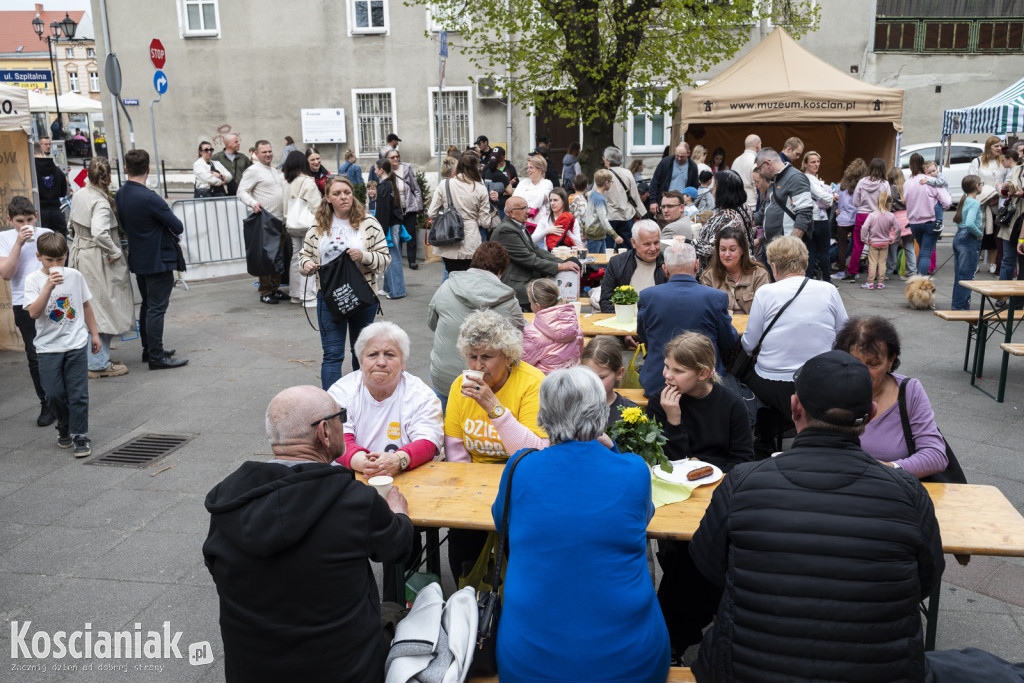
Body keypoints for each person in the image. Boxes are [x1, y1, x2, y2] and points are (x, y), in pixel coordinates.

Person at [688, 349, 944, 682]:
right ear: (870, 414)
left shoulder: (742, 483)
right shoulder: (909, 492)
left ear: (795, 408)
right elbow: (926, 578)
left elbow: (708, 565)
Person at [203, 385, 414, 683]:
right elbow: (400, 548)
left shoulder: (229, 500)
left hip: (251, 670)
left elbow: (216, 567)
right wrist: (397, 512)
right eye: (341, 417)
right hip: (346, 671)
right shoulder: (354, 502)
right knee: (396, 613)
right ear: (324, 432)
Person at [493, 366, 670, 683]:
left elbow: (501, 523)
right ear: (602, 414)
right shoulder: (633, 470)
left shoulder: (520, 467)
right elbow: (641, 518)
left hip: (528, 665)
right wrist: (612, 448)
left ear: (543, 417)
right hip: (633, 664)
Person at [646, 332, 753, 656]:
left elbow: (742, 462)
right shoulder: (661, 400)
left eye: (677, 370)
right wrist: (674, 422)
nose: (667, 375)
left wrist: (707, 467)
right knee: (684, 558)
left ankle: (674, 636)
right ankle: (687, 628)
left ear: (704, 372)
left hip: (716, 498)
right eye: (666, 366)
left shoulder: (730, 404)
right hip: (673, 497)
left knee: (690, 560)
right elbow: (659, 461)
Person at [443, 309, 548, 577]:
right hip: (474, 480)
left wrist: (494, 408)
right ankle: (467, 597)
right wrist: (470, 493)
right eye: (472, 357)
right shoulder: (460, 386)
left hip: (522, 480)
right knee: (461, 534)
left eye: (487, 357)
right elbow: (455, 446)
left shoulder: (533, 383)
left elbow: (533, 453)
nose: (477, 366)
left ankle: (514, 598)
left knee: (520, 538)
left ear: (508, 355)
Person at [741, 236, 848, 452]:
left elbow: (749, 345)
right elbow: (844, 335)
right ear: (805, 262)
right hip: (819, 379)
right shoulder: (828, 290)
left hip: (774, 382)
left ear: (773, 266)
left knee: (746, 377)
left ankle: (766, 437)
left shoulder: (765, 293)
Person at [298, 176, 389, 389]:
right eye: (337, 194)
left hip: (363, 296)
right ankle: (332, 409)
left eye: (347, 192)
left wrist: (363, 256)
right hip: (329, 298)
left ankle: (361, 401)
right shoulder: (318, 225)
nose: (343, 197)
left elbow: (385, 259)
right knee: (332, 355)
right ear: (328, 198)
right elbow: (304, 256)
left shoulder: (369, 223)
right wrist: (308, 265)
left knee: (362, 353)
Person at [833, 316, 948, 478]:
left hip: (896, 489)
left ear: (890, 361)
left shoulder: (909, 391)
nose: (863, 372)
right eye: (855, 363)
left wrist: (888, 469)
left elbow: (935, 455)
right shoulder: (830, 389)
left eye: (873, 364)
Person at [327, 322, 443, 475]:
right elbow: (337, 440)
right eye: (372, 355)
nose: (381, 362)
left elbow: (428, 443)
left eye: (390, 355)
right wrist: (367, 464)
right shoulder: (341, 392)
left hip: (404, 474)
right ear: (360, 362)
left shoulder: (422, 395)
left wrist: (397, 460)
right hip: (350, 476)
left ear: (403, 364)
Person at [23, 232, 101, 457]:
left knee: (78, 393)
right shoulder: (33, 281)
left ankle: (79, 435)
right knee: (53, 394)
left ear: (66, 256)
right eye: (50, 260)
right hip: (48, 347)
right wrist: (48, 286)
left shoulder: (75, 276)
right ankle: (64, 424)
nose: (56, 265)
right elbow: (35, 313)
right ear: (39, 257)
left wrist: (94, 334)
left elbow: (85, 306)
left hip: (76, 343)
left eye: (60, 259)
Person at [114, 149, 188, 370]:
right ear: (147, 169)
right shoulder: (149, 197)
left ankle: (150, 350)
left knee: (148, 306)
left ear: (126, 168)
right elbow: (177, 226)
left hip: (139, 257)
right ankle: (156, 356)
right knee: (156, 308)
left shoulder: (121, 193)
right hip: (158, 258)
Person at [428, 242, 525, 407]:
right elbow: (517, 341)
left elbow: (432, 324)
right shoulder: (508, 301)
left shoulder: (446, 287)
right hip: (486, 380)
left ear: (473, 261)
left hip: (443, 377)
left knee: (444, 428)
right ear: (501, 270)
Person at [637, 241, 737, 397]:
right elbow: (728, 341)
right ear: (696, 265)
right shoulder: (716, 298)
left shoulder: (648, 296)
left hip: (659, 381)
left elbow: (643, 336)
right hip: (703, 382)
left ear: (665, 269)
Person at [69, 158, 134, 378]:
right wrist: (114, 253)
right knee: (105, 308)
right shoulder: (101, 202)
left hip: (83, 255)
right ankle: (97, 363)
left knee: (93, 307)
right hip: (97, 260)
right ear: (108, 177)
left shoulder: (80, 194)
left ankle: (97, 356)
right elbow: (99, 232)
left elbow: (71, 225)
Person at [1, 197, 55, 426]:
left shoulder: (46, 233)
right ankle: (46, 403)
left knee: (57, 350)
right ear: (9, 219)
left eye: (29, 220)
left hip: (52, 299)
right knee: (35, 356)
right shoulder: (4, 238)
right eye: (19, 221)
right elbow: (6, 274)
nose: (26, 225)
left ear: (36, 216)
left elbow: (58, 264)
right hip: (24, 302)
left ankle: (60, 398)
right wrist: (18, 243)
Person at [491, 196, 580, 310]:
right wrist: (560, 266)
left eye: (527, 207)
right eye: (523, 208)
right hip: (515, 284)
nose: (528, 211)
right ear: (511, 213)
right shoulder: (506, 230)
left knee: (557, 295)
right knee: (551, 297)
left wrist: (564, 262)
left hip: (527, 279)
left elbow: (536, 250)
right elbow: (529, 259)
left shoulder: (517, 226)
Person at [427, 151, 498, 273]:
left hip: (448, 237)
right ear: (476, 167)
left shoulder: (445, 184)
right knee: (469, 280)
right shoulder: (480, 188)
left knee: (452, 277)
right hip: (470, 240)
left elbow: (431, 213)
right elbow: (486, 223)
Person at [237, 139, 288, 304]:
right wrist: (253, 203)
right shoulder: (253, 171)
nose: (268, 154)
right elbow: (241, 191)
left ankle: (275, 288)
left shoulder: (273, 170)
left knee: (278, 256)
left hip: (280, 220)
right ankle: (265, 291)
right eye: (264, 152)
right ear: (256, 154)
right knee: (267, 257)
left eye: (270, 151)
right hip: (266, 220)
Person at [598, 220, 667, 314]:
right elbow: (606, 301)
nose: (653, 248)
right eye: (647, 244)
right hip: (624, 323)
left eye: (656, 243)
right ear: (633, 243)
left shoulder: (669, 263)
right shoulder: (617, 263)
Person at [693, 170, 756, 271]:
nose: (712, 191)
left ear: (723, 191)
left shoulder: (727, 217)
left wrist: (690, 243)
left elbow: (712, 248)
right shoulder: (744, 208)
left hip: (722, 274)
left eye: (714, 188)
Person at [699, 226, 770, 314]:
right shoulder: (709, 276)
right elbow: (707, 312)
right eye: (723, 249)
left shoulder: (759, 274)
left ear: (743, 250)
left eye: (732, 250)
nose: (727, 254)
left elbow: (764, 311)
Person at [282, 150, 322, 306]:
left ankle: (295, 294)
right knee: (310, 258)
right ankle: (308, 296)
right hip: (307, 226)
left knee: (295, 257)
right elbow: (316, 207)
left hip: (291, 225)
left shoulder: (285, 181)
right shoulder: (307, 181)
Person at [904, 153, 952, 279]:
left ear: (910, 166)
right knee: (926, 253)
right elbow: (947, 202)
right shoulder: (930, 181)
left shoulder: (908, 182)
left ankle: (917, 279)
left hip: (914, 223)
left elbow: (906, 201)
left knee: (922, 250)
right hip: (931, 222)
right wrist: (941, 208)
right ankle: (919, 281)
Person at [522, 278, 584, 373]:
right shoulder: (574, 325)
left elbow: (523, 363)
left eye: (530, 302)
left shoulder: (532, 333)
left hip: (546, 382)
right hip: (573, 378)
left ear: (537, 306)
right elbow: (580, 352)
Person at [753, 147, 813, 244]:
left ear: (767, 164)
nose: (760, 173)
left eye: (760, 168)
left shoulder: (795, 177)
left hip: (787, 249)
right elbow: (761, 214)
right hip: (773, 247)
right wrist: (740, 219)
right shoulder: (774, 181)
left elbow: (805, 213)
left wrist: (792, 244)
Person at [843, 157, 888, 283]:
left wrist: (863, 205)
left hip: (862, 214)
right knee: (877, 244)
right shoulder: (885, 184)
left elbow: (855, 201)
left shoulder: (862, 182)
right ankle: (875, 273)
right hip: (878, 215)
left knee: (858, 244)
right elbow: (888, 202)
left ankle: (852, 272)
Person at [969, 135, 1008, 274]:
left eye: (1000, 145)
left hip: (997, 203)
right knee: (979, 233)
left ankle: (992, 262)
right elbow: (972, 180)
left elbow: (1006, 180)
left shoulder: (1002, 161)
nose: (999, 148)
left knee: (994, 236)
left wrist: (998, 197)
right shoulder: (977, 161)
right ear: (988, 147)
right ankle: (976, 261)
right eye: (996, 146)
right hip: (981, 202)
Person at [580, 335, 637, 428]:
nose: (594, 383)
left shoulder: (630, 411)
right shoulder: (573, 406)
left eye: (601, 377)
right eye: (588, 376)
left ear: (619, 373)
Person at [384, 148, 423, 269]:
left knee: (411, 235)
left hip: (409, 208)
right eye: (392, 157)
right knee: (396, 235)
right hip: (395, 209)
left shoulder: (406, 169)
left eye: (397, 156)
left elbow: (416, 188)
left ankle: (412, 261)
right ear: (387, 160)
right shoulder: (386, 171)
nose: (396, 159)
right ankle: (398, 260)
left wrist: (418, 205)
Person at [373, 158, 406, 300]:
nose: (374, 171)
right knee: (389, 256)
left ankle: (397, 291)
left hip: (389, 226)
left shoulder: (383, 187)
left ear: (381, 170)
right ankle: (388, 288)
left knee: (393, 258)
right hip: (393, 224)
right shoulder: (390, 184)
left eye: (375, 168)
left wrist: (381, 230)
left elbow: (383, 211)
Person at [802, 151, 835, 280]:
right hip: (818, 219)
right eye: (813, 162)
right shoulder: (808, 178)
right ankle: (826, 280)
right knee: (822, 252)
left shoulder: (813, 179)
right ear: (805, 164)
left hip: (813, 219)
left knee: (813, 252)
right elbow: (822, 196)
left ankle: (810, 279)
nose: (816, 165)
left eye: (818, 162)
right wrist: (832, 197)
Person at [952, 175, 983, 310]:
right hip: (968, 239)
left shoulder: (964, 200)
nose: (982, 185)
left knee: (959, 275)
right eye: (981, 183)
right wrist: (979, 234)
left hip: (959, 236)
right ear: (976, 186)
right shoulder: (974, 202)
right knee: (967, 276)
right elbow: (970, 223)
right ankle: (961, 307)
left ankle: (957, 305)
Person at [604, 146, 647, 242]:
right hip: (626, 215)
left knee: (608, 249)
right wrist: (639, 213)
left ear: (608, 160)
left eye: (604, 158)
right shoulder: (627, 173)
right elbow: (634, 195)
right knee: (627, 246)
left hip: (608, 217)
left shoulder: (602, 174)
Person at [833, 157, 866, 280]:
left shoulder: (841, 186)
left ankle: (841, 271)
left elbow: (836, 202)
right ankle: (854, 271)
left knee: (842, 246)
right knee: (856, 247)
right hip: (857, 219)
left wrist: (838, 209)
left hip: (843, 219)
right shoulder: (862, 186)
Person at [860, 191, 900, 290]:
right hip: (885, 242)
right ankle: (880, 283)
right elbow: (898, 228)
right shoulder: (891, 216)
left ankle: (870, 282)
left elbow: (864, 227)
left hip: (873, 242)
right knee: (882, 263)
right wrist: (895, 238)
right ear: (890, 203)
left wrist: (864, 239)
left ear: (877, 202)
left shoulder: (872, 215)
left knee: (872, 263)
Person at [512, 154, 555, 246]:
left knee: (539, 254)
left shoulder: (547, 183)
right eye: (527, 168)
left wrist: (525, 200)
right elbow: (514, 200)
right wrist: (530, 201)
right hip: (522, 226)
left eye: (531, 168)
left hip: (540, 229)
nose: (528, 170)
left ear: (540, 169)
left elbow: (539, 200)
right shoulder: (523, 183)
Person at [649, 141, 698, 219]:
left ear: (688, 153)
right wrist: (653, 201)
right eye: (677, 155)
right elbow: (655, 182)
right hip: (664, 204)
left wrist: (690, 202)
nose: (679, 158)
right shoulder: (666, 162)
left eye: (682, 156)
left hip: (681, 207)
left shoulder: (692, 166)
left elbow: (694, 186)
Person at [34, 138, 69, 237]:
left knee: (43, 245)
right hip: (56, 213)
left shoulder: (31, 172)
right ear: (42, 151)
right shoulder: (57, 171)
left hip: (40, 214)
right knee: (60, 245)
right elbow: (63, 193)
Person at [581, 169, 623, 252]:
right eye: (611, 182)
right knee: (594, 262)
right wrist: (615, 236)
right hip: (596, 235)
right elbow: (603, 220)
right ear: (606, 182)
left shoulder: (593, 194)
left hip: (596, 234)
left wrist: (584, 230)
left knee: (601, 261)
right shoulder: (599, 198)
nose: (611, 184)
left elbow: (587, 214)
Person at [999, 148, 1024, 280]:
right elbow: (1004, 193)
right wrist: (1005, 189)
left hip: (1022, 221)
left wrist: (1023, 194)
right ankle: (1002, 297)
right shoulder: (1016, 170)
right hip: (1012, 219)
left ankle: (1018, 299)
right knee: (1007, 260)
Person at [731, 134, 761, 210]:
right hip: (752, 206)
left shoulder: (736, 161)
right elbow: (757, 187)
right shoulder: (755, 161)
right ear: (757, 144)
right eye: (761, 144)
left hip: (737, 205)